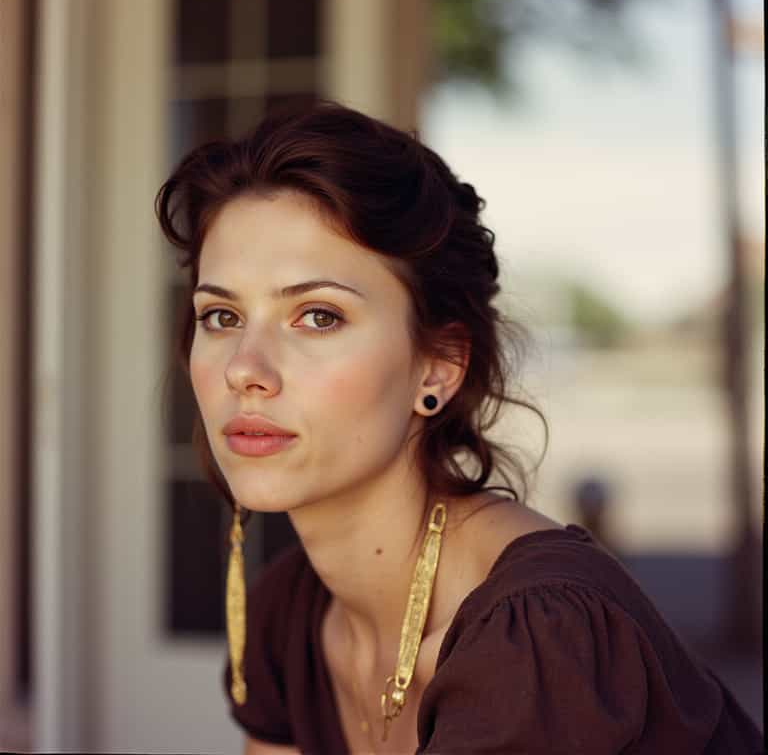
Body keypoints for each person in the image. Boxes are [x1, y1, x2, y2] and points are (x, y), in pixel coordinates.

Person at [155, 100, 763, 755]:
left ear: (438, 367)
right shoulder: (288, 615)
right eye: (220, 316)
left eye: (318, 316)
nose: (245, 369)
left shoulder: (539, 636)